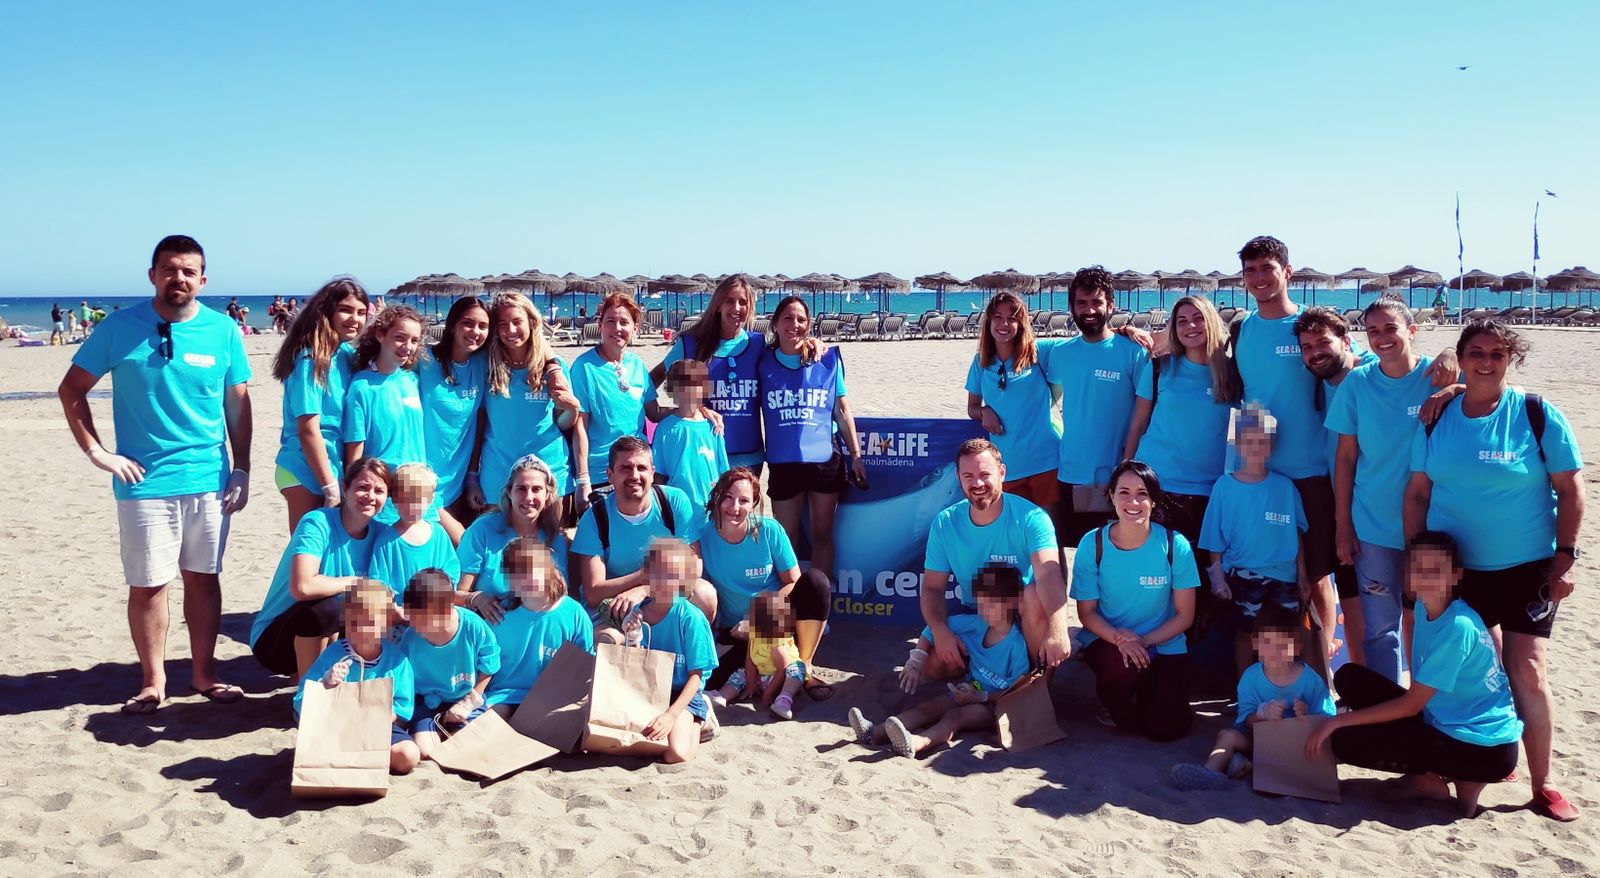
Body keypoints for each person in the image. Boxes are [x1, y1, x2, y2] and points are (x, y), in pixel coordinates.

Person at [1231, 237, 1457, 678]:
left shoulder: (1327, 340)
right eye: (1251, 270)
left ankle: (1342, 678)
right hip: (1264, 475)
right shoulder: (1241, 329)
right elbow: (1203, 351)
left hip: (1320, 476)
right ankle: (1300, 674)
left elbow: (1383, 361)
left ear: (1287, 271)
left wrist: (1449, 365)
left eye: (1267, 268)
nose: (1259, 278)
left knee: (1329, 581)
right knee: (1278, 576)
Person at [58, 235, 253, 715]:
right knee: (149, 584)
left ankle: (204, 673)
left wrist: (243, 467)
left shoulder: (223, 330)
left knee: (204, 578)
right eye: (169, 269)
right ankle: (153, 681)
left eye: (188, 271)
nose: (178, 278)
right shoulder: (119, 328)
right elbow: (71, 390)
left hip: (210, 480)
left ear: (202, 279)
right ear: (153, 275)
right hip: (144, 483)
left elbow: (238, 404)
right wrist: (98, 453)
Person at [1405, 320, 1585, 821]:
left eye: (1498, 354)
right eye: (1476, 352)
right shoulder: (1437, 417)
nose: (1486, 361)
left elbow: (1571, 491)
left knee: (1525, 668)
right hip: (1454, 570)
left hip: (1525, 565)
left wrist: (1565, 557)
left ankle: (1543, 782)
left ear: (1512, 360)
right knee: (1463, 669)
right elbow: (1418, 492)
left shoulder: (1535, 412)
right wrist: (1412, 559)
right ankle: (1463, 761)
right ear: (1460, 358)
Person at [1307, 532, 1525, 819]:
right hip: (1450, 721)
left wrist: (1335, 723)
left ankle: (1435, 779)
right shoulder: (1425, 607)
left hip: (1482, 749)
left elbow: (1411, 705)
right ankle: (1437, 773)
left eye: (1435, 571)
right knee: (1350, 677)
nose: (1425, 577)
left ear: (1455, 575)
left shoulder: (1458, 627)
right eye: (1418, 569)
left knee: (1345, 740)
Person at [1326, 298, 1446, 679]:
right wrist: (1342, 524)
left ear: (1411, 331)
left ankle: (1428, 708)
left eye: (1391, 328)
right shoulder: (1357, 384)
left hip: (1433, 527)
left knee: (1429, 621)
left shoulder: (1437, 377)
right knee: (1381, 627)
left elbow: (1484, 389)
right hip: (1373, 524)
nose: (1381, 338)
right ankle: (1387, 712)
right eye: (1373, 330)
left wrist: (1453, 381)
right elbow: (1345, 459)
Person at [921, 439, 1071, 677]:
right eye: (968, 476)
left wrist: (1059, 629)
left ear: (1002, 473)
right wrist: (940, 632)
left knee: (1033, 595)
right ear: (958, 478)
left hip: (1024, 616)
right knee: (933, 666)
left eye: (984, 474)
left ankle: (1035, 681)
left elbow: (1050, 574)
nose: (977, 483)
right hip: (979, 616)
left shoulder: (1032, 517)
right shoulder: (945, 522)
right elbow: (931, 588)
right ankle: (984, 679)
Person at [1073, 460, 1200, 741]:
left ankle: (1150, 694)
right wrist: (1123, 640)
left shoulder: (1174, 545)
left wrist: (1143, 641)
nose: (1133, 501)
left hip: (1163, 643)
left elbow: (1184, 616)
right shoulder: (1092, 543)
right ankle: (1114, 701)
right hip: (1110, 642)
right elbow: (1087, 613)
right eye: (1124, 492)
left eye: (1142, 493)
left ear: (1154, 501)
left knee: (1167, 729)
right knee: (1122, 675)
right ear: (1112, 497)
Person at [850, 563, 1030, 758]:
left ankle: (916, 743)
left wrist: (981, 697)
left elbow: (1019, 691)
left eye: (990, 604)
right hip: (967, 690)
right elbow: (933, 629)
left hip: (992, 706)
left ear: (1012, 601)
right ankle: (873, 732)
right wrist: (916, 660)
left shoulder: (1017, 644)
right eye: (980, 603)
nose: (983, 610)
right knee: (929, 707)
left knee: (955, 717)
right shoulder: (977, 624)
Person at [1121, 294, 1240, 565]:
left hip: (1211, 491)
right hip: (1159, 486)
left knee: (1204, 578)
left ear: (1211, 322)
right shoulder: (1159, 367)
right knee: (1157, 573)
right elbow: (1138, 424)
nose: (1191, 326)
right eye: (1182, 321)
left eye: (1198, 319)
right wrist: (1126, 472)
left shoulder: (1233, 373)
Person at [696, 468, 834, 700]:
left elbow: (793, 583)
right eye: (728, 497)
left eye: (744, 500)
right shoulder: (703, 536)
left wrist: (759, 620)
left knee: (816, 581)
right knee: (711, 681)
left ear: (754, 503)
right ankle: (777, 675)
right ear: (717, 496)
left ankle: (805, 666)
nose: (735, 507)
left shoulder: (770, 530)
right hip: (738, 632)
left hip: (777, 623)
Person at [757, 295, 867, 585]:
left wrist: (856, 455)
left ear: (809, 325)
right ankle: (789, 605)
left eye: (802, 319)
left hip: (824, 459)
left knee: (822, 534)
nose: (795, 325)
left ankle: (820, 607)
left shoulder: (827, 359)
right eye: (788, 318)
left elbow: (842, 410)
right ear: (776, 323)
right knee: (786, 539)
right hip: (783, 461)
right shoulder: (762, 360)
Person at [251, 458, 392, 678]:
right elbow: (302, 587)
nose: (370, 496)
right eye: (362, 487)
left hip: (342, 632)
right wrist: (356, 582)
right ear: (345, 488)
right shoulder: (318, 522)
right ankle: (310, 691)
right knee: (328, 607)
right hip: (276, 640)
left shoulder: (382, 534)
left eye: (379, 491)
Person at [1170, 605, 1335, 790]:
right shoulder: (1250, 677)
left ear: (1297, 646)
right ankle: (1210, 773)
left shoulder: (1310, 679)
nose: (1275, 651)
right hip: (1260, 741)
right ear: (1255, 643)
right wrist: (1262, 713)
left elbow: (1327, 720)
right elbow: (1245, 722)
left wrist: (1306, 716)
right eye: (1267, 643)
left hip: (1296, 746)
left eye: (1283, 645)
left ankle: (1246, 765)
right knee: (1227, 736)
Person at [1042, 266, 1150, 547]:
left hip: (1120, 475)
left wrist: (1129, 459)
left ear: (1110, 305)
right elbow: (1048, 397)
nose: (1089, 310)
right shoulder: (1061, 353)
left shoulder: (1133, 351)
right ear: (1072, 307)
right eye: (1081, 303)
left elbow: (1146, 412)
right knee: (1081, 554)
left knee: (1119, 551)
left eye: (1096, 302)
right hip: (1073, 472)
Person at [1198, 406, 1310, 675]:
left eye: (1263, 440)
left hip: (1284, 577)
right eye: (1249, 439)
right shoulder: (1224, 487)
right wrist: (1218, 577)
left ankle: (1280, 689)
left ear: (1272, 445)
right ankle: (1244, 693)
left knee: (1283, 639)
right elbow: (1214, 537)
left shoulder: (1285, 487)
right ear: (1236, 443)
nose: (1256, 446)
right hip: (1244, 576)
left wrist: (1303, 576)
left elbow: (1296, 533)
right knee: (1246, 635)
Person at [1293, 306, 1374, 666]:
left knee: (1388, 604)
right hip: (1336, 496)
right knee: (1348, 591)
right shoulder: (1322, 383)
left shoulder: (1372, 370)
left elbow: (1428, 369)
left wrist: (1450, 367)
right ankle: (1349, 675)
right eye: (1307, 347)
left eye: (1323, 342)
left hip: (1381, 502)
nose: (1315, 352)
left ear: (1346, 340)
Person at [572, 437, 711, 637]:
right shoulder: (595, 517)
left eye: (641, 468)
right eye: (625, 468)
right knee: (606, 639)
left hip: (664, 595)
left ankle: (695, 663)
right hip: (617, 605)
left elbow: (695, 567)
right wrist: (644, 576)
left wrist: (647, 588)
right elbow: (594, 593)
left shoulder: (673, 502)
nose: (634, 475)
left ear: (653, 473)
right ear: (610, 475)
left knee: (704, 595)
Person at [271, 277, 370, 533]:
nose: (355, 319)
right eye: (346, 310)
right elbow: (308, 429)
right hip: (304, 469)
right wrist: (329, 486)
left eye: (361, 312)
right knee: (306, 552)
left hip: (332, 466)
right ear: (327, 312)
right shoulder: (310, 359)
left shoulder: (346, 354)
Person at [294, 579, 420, 776]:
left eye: (370, 623)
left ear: (386, 622)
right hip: (336, 727)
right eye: (354, 623)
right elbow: (300, 701)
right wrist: (325, 682)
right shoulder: (333, 655)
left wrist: (378, 721)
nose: (361, 630)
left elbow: (403, 708)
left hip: (377, 729)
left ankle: (360, 756)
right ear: (345, 620)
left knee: (408, 755)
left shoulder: (397, 660)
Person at [645, 274, 767, 470]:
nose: (737, 308)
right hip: (703, 450)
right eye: (730, 301)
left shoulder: (757, 344)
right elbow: (651, 380)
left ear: (750, 307)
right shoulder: (691, 344)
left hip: (748, 456)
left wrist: (814, 343)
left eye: (743, 302)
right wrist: (671, 412)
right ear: (718, 305)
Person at [481, 291, 581, 522]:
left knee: (553, 548)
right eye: (503, 324)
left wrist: (573, 409)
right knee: (500, 549)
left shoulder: (554, 368)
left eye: (517, 322)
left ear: (532, 322)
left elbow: (561, 423)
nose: (510, 330)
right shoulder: (487, 366)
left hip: (549, 468)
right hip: (498, 473)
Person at [622, 538, 718, 763]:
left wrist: (671, 715)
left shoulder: (691, 618)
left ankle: (702, 720)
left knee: (676, 754)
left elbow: (696, 676)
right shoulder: (639, 613)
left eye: (673, 575)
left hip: (682, 693)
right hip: (648, 690)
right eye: (659, 573)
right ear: (647, 576)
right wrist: (633, 635)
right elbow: (635, 666)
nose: (665, 582)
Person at [965, 291, 1064, 507]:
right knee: (1017, 534)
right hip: (1006, 465)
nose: (1004, 323)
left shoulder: (1039, 352)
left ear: (1021, 323)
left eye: (1012, 318)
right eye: (998, 317)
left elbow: (1084, 342)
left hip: (1046, 462)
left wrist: (1123, 329)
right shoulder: (981, 361)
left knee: (1050, 533)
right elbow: (972, 407)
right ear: (989, 321)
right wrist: (984, 412)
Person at [399, 567, 500, 759]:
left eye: (420, 619)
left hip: (465, 698)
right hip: (428, 703)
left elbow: (490, 664)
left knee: (473, 742)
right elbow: (403, 677)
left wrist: (470, 700)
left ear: (445, 610)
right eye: (411, 616)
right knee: (426, 750)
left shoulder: (473, 626)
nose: (413, 624)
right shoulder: (410, 637)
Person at [483, 537, 595, 710]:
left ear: (546, 569)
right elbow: (483, 661)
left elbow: (586, 666)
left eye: (528, 570)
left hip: (552, 703)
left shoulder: (573, 613)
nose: (521, 579)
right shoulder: (498, 613)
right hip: (503, 698)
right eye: (514, 572)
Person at [343, 305, 427, 524]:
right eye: (400, 338)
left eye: (414, 340)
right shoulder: (362, 387)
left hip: (419, 492)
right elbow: (355, 451)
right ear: (380, 335)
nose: (408, 347)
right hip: (384, 496)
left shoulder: (411, 380)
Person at [458, 454, 570, 618]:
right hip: (490, 627)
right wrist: (475, 598)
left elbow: (562, 597)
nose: (529, 497)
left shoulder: (556, 538)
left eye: (536, 489)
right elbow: (455, 594)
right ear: (509, 492)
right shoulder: (482, 530)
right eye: (521, 489)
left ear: (547, 494)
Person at [420, 296, 491, 543]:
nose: (475, 332)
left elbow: (479, 423)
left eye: (483, 326)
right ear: (452, 325)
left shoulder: (481, 364)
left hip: (459, 486)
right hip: (423, 485)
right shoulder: (424, 360)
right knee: (459, 546)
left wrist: (472, 476)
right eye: (468, 324)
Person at [570, 292, 650, 502]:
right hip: (600, 472)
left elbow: (654, 412)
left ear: (635, 327)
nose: (617, 328)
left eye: (624, 322)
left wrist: (702, 411)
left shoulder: (638, 365)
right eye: (610, 321)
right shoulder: (584, 367)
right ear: (600, 325)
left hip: (637, 470)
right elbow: (580, 426)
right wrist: (583, 479)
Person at [706, 590, 808, 719]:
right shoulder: (755, 635)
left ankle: (784, 701)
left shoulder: (776, 642)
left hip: (781, 680)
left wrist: (768, 694)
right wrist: (751, 683)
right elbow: (750, 659)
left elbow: (782, 669)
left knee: (796, 669)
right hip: (763, 676)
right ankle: (723, 696)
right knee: (740, 672)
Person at [368, 464, 461, 603]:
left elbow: (451, 570)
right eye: (405, 499)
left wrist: (440, 593)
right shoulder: (386, 541)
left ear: (430, 500)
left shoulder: (439, 534)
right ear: (394, 501)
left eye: (417, 500)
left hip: (435, 610)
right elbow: (379, 582)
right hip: (401, 614)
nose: (411, 506)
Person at [652, 358, 730, 522]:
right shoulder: (665, 428)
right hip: (678, 509)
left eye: (695, 385)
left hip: (710, 508)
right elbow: (659, 475)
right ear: (672, 389)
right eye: (682, 385)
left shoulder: (713, 425)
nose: (689, 391)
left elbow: (724, 470)